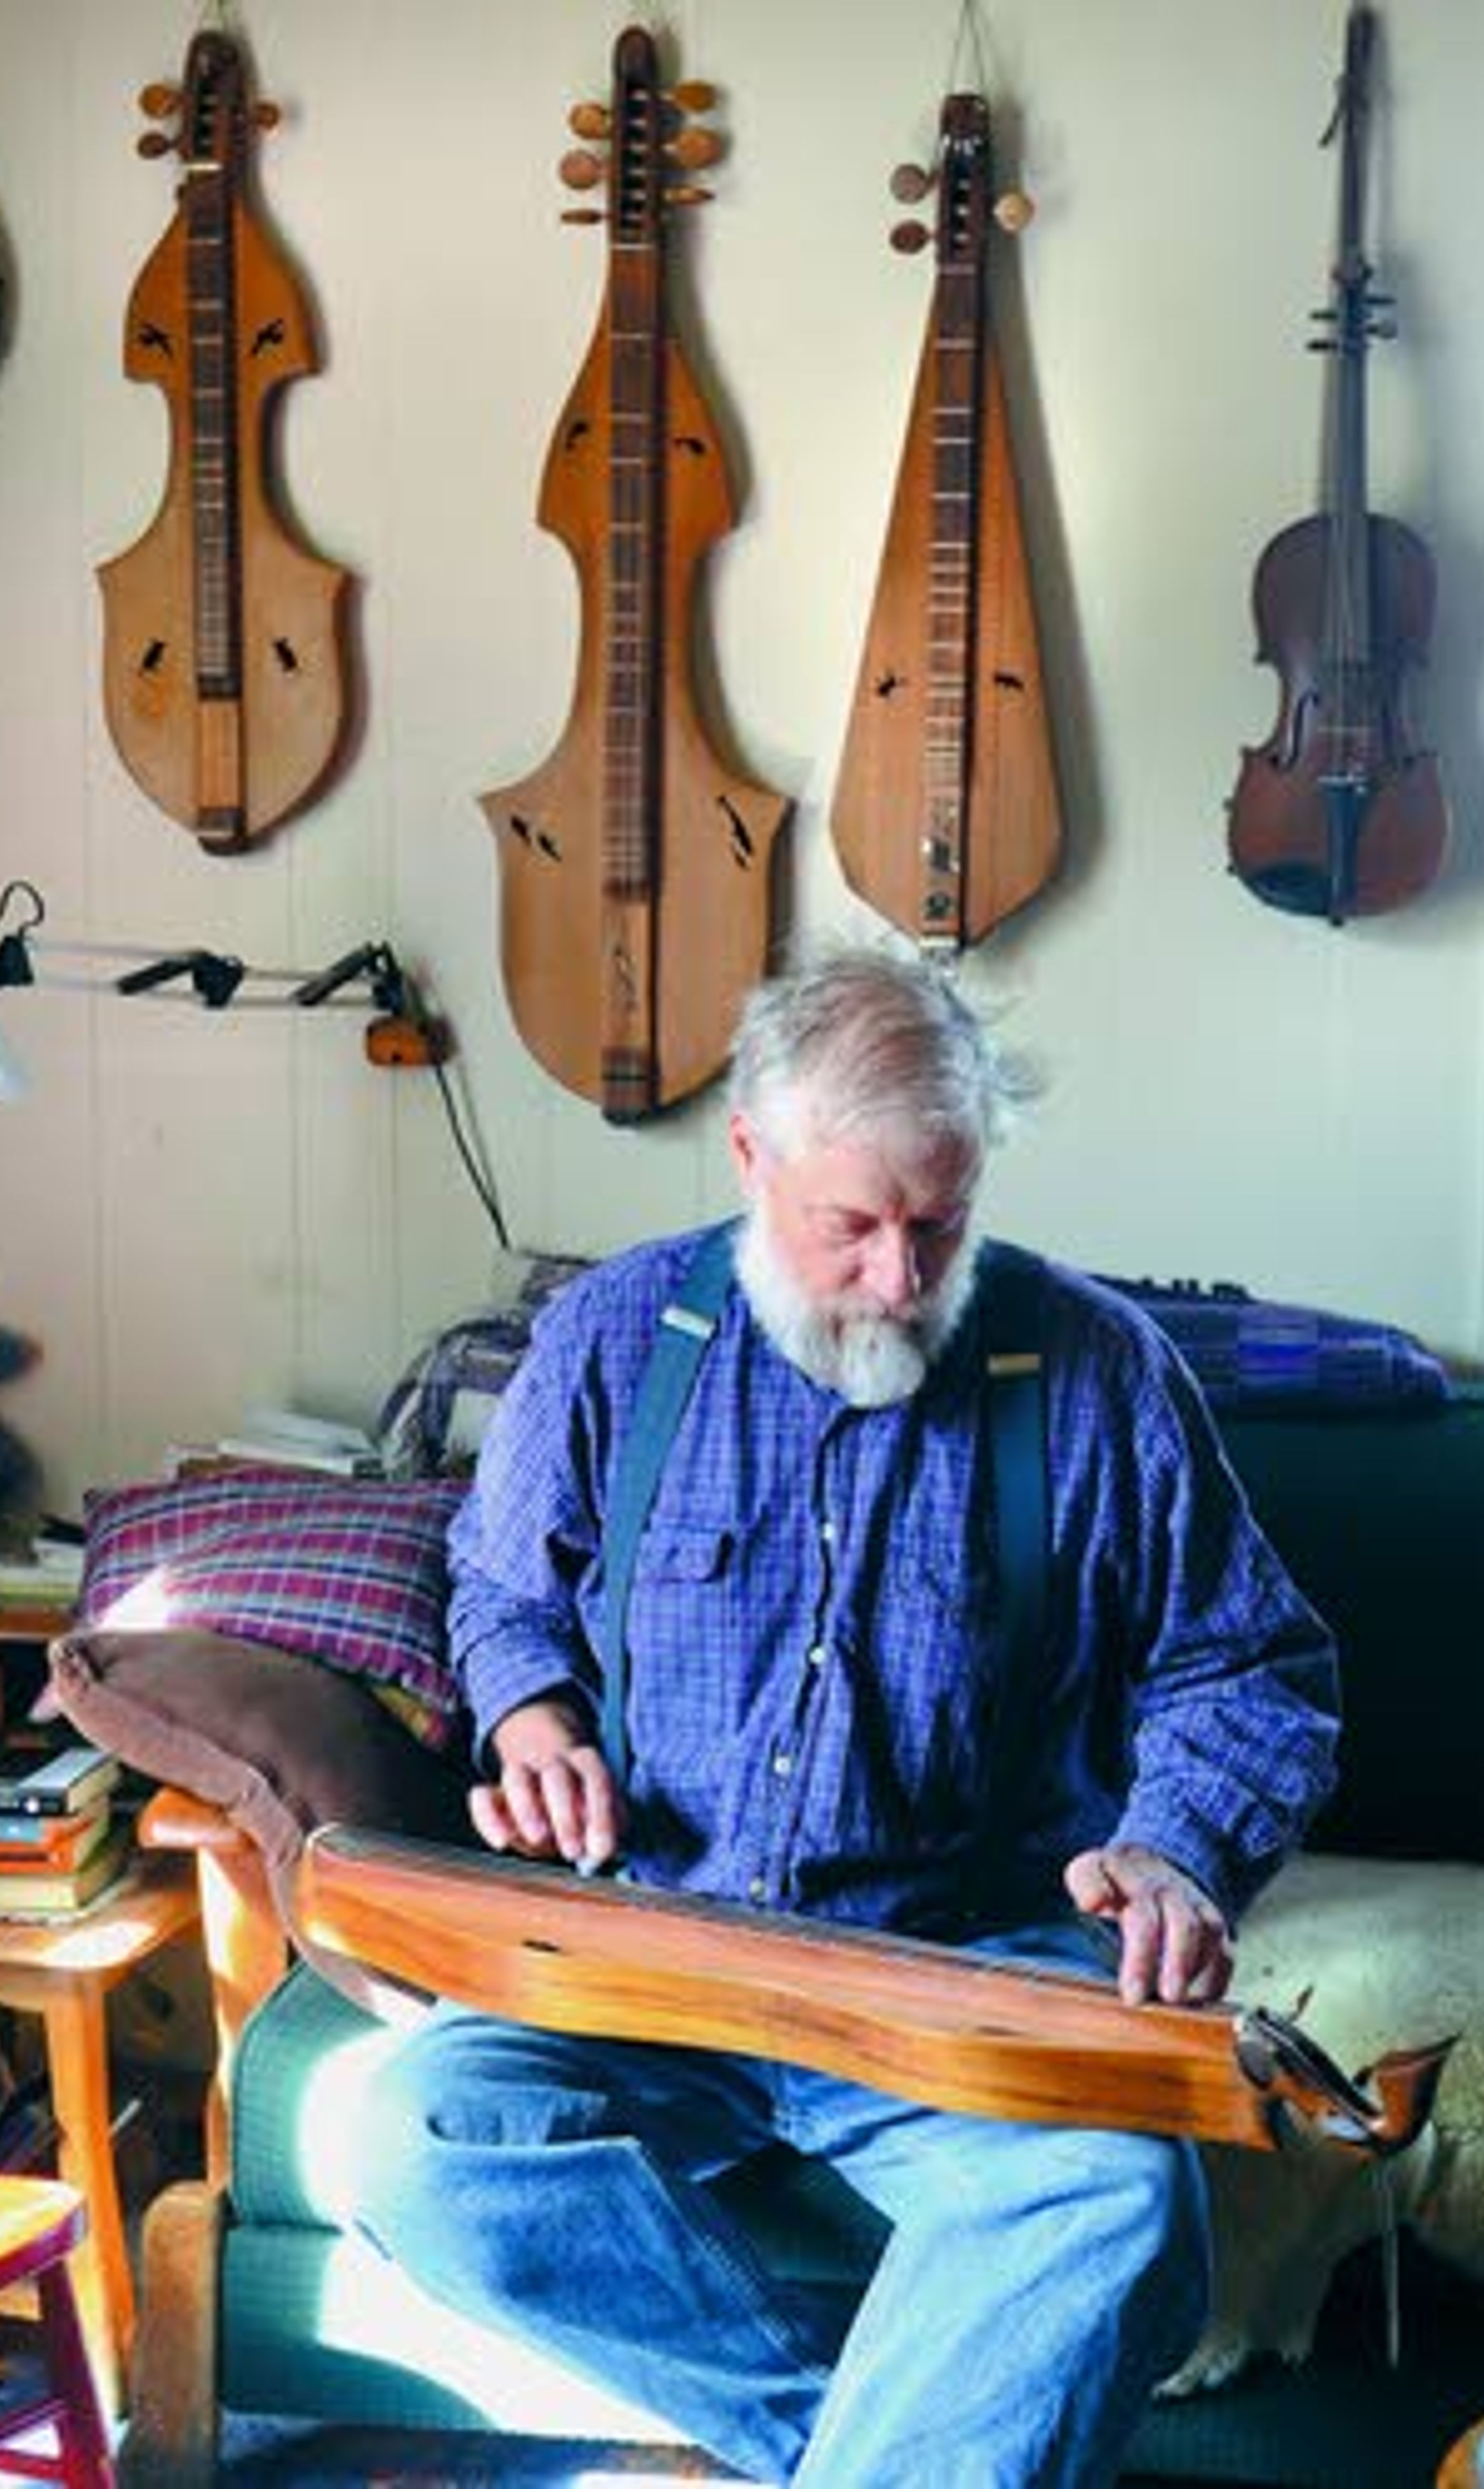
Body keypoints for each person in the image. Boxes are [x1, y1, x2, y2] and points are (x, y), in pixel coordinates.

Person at [358, 948, 1340, 2487]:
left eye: (937, 1224)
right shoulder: (620, 1338)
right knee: (419, 2140)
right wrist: (534, 1717)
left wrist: (1176, 1852)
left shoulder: (1097, 1372)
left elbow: (1251, 1667)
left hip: (965, 1970)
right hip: (660, 1963)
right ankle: (859, 2457)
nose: (900, 1277)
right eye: (854, 1227)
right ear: (752, 1155)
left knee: (1123, 2206)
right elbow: (500, 1592)